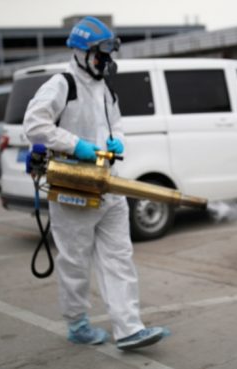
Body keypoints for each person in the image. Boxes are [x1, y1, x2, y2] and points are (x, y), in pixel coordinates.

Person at [23, 16, 169, 350]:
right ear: (82, 52)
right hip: (73, 188)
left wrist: (118, 142)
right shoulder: (62, 84)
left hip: (107, 184)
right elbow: (34, 124)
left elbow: (116, 125)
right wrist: (77, 145)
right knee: (75, 261)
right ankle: (77, 323)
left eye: (107, 54)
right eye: (100, 53)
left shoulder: (104, 87)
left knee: (120, 257)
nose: (105, 60)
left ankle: (129, 328)